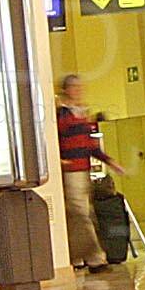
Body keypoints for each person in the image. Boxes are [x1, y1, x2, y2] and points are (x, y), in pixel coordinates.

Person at [56, 74, 127, 272]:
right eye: (75, 87)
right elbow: (54, 140)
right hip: (71, 171)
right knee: (81, 215)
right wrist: (59, 160)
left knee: (81, 215)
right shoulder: (62, 115)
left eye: (80, 87)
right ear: (67, 90)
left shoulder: (82, 114)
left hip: (83, 169)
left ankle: (77, 257)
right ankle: (94, 258)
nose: (79, 91)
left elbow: (90, 146)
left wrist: (110, 162)